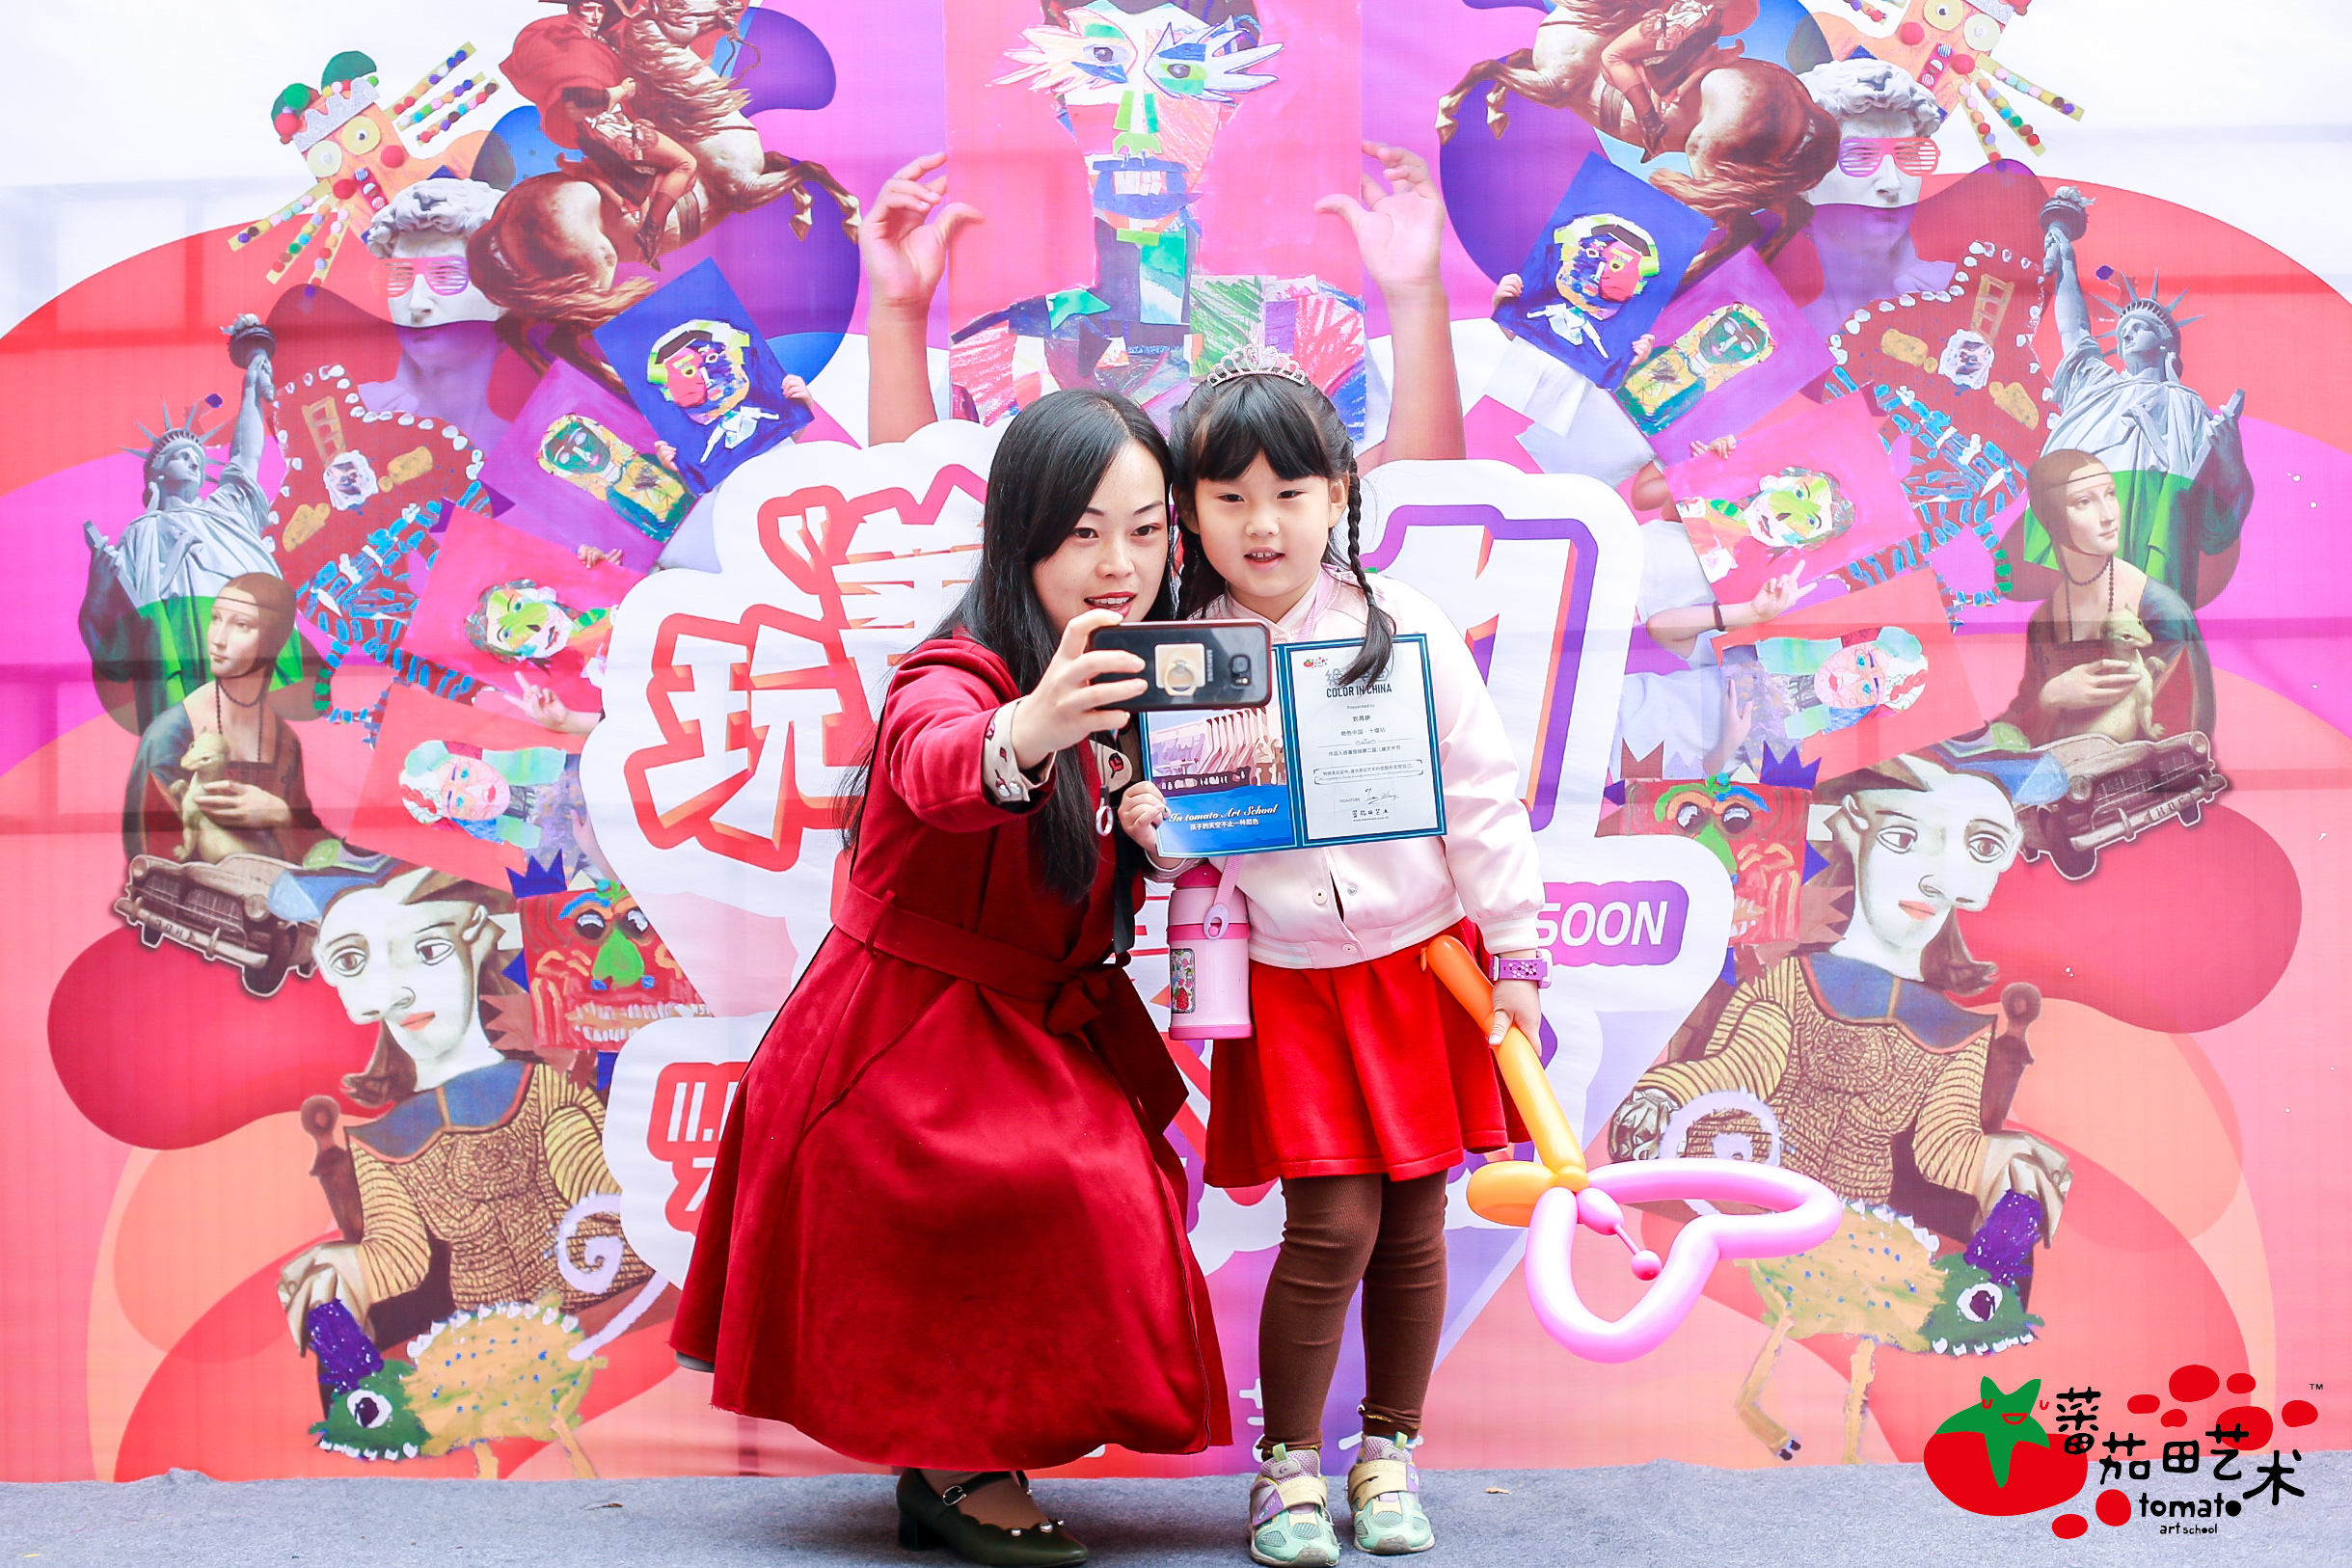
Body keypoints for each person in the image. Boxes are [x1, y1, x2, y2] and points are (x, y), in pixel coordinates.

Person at [669, 352, 1225, 1561]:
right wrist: (1026, 731)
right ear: (1021, 535)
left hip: (1024, 1021)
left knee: (1114, 1197)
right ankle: (959, 1466)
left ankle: (972, 1452)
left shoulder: (1140, 673)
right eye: (1084, 533)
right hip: (901, 1039)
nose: (1121, 564)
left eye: (1145, 530)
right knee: (1047, 1191)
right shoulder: (958, 670)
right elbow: (938, 760)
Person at [1607, 745, 2074, 1247]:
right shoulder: (1790, 980)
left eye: (1981, 847)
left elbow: (1945, 1147)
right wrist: (1665, 1097)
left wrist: (1998, 1164)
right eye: (1903, 838)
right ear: (1854, 828)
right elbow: (1741, 1069)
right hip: (1729, 1208)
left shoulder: (1958, 1032)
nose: (1937, 882)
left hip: (1840, 1247)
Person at [275, 858, 650, 1348]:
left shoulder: (546, 1089)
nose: (397, 995)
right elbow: (398, 1257)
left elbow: (611, 1199)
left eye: (429, 950)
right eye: (352, 962)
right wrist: (349, 1272)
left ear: (477, 937)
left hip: (625, 1323)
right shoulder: (382, 1142)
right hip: (499, 1355)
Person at [2016, 188, 2252, 611]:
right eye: (2123, 328)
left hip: (2148, 512)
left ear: (2164, 342)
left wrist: (2230, 454)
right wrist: (2066, 260)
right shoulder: (2097, 385)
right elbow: (2074, 329)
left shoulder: (2185, 404)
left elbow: (2213, 506)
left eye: (2139, 326)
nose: (2126, 332)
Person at [81, 315, 287, 736]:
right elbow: (120, 639)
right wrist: (99, 589)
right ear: (157, 472)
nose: (193, 460)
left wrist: (250, 389)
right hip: (178, 642)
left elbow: (245, 456)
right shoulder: (142, 532)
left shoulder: (227, 511)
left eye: (197, 456)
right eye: (180, 455)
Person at [1996, 448, 2211, 744]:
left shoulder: (2161, 612)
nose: (2108, 516)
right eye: (2084, 502)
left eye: (2110, 494)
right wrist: (2050, 697)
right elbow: (2021, 727)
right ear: (2050, 519)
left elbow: (2182, 733)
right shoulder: (2043, 622)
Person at [122, 573, 323, 864]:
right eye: (215, 619)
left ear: (274, 640)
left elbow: (313, 853)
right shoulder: (170, 735)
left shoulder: (285, 742)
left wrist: (281, 815)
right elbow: (153, 854)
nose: (218, 640)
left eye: (241, 625)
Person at [357, 177, 513, 452]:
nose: (416, 303)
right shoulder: (347, 415)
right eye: (400, 275)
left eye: (446, 274)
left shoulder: (533, 448)